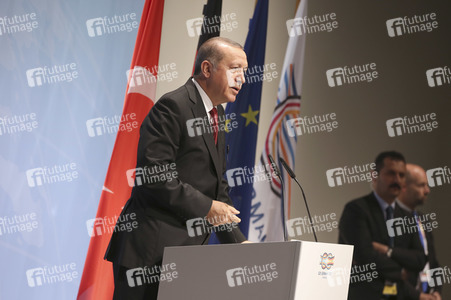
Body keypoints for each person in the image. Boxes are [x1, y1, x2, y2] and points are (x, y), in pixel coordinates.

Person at [104, 37, 249, 299]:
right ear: (207, 69)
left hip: (183, 259)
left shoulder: (218, 115)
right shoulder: (173, 107)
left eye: (244, 71)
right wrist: (207, 207)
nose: (242, 79)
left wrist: (242, 245)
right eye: (235, 68)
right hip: (148, 255)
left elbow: (218, 190)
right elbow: (155, 177)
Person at [339, 151, 427, 300]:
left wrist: (388, 251)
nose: (397, 180)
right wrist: (401, 271)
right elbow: (364, 256)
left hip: (398, 295)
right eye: (391, 173)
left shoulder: (407, 217)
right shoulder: (356, 209)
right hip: (364, 295)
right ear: (375, 176)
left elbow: (420, 259)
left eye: (401, 175)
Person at [397, 164, 442, 300]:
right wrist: (418, 296)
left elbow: (432, 262)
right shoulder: (392, 221)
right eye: (421, 185)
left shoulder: (423, 219)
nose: (427, 190)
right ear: (404, 187)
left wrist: (436, 291)